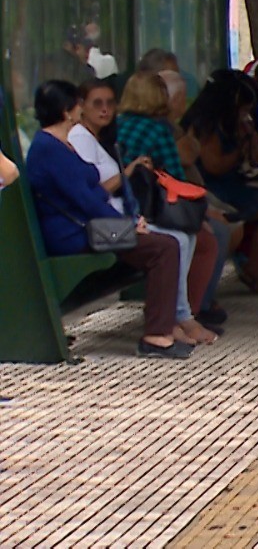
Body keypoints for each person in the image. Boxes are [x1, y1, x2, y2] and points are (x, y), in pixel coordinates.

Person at [26, 80, 189, 358]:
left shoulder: (58, 143)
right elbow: (86, 200)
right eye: (77, 103)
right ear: (67, 111)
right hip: (74, 235)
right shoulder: (49, 149)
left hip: (87, 228)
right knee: (164, 247)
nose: (81, 108)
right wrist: (125, 225)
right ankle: (157, 335)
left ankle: (162, 328)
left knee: (162, 243)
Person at [115, 71, 222, 345]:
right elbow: (175, 173)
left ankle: (180, 316)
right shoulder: (159, 129)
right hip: (151, 211)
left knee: (182, 241)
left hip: (123, 206)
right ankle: (181, 316)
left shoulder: (117, 125)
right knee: (185, 239)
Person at [181, 70, 258, 299]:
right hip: (213, 187)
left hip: (236, 185)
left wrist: (257, 142)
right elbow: (213, 165)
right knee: (233, 223)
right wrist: (240, 146)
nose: (245, 114)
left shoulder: (239, 125)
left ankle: (257, 268)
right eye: (242, 109)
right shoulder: (207, 125)